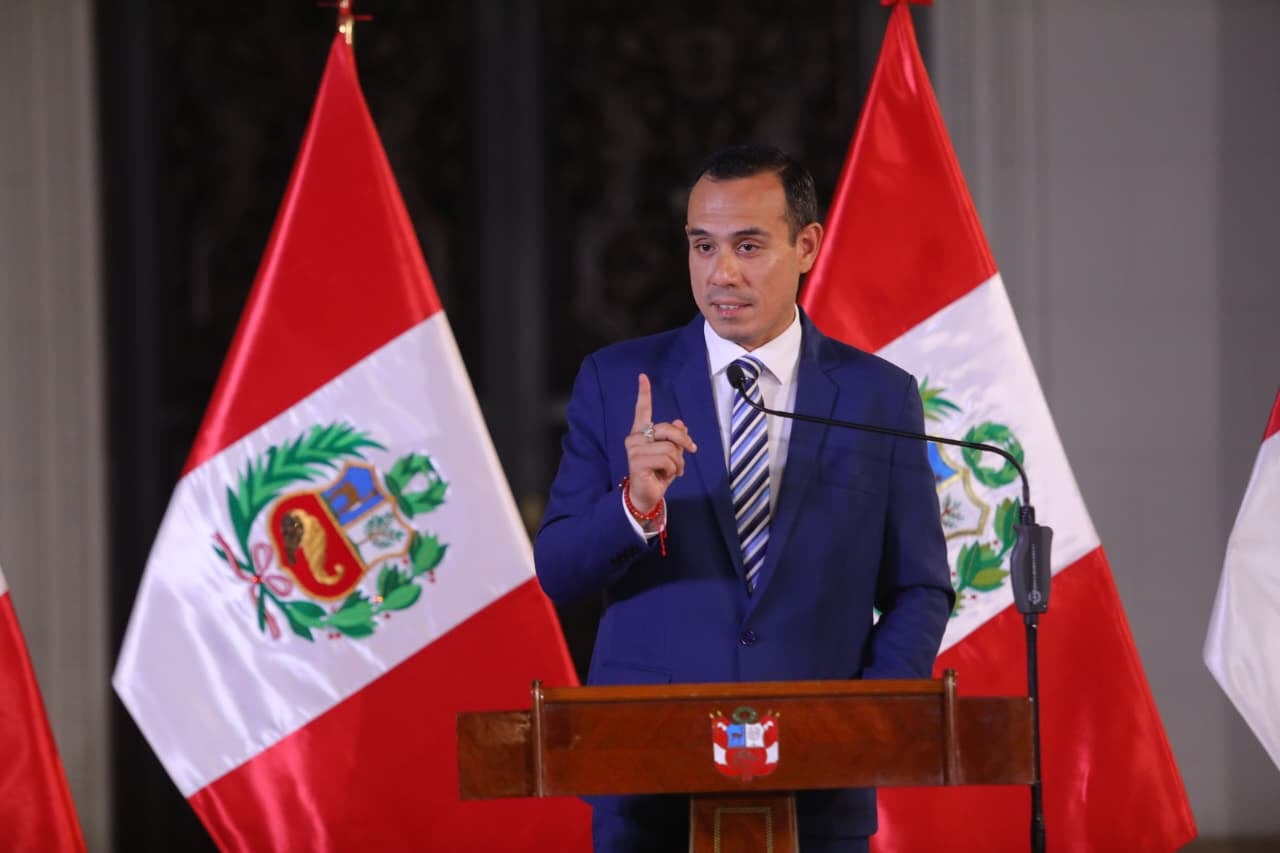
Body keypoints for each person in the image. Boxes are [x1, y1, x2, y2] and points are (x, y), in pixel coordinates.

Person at [534, 144, 954, 852]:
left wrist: (867, 715)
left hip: (823, 780)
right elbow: (558, 569)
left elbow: (919, 584)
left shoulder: (878, 395)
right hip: (648, 772)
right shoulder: (617, 381)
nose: (720, 273)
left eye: (748, 246)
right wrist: (633, 506)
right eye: (703, 246)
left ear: (807, 246)